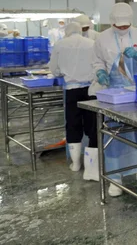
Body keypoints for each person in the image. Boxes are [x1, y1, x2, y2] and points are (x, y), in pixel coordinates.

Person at [90, 3, 137, 197]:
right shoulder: (102, 38)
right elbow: (96, 61)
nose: (122, 29)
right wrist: (100, 72)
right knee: (116, 134)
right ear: (112, 22)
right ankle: (115, 177)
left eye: (125, 26)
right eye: (119, 26)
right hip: (113, 93)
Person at [49, 22, 98, 180]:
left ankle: (76, 164)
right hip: (91, 90)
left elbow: (54, 70)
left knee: (73, 125)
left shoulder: (59, 44)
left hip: (71, 90)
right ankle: (92, 167)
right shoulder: (92, 44)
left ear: (67, 32)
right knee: (92, 126)